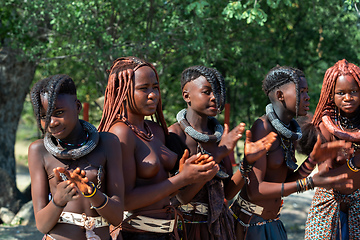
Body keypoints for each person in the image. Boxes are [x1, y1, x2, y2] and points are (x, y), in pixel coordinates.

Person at [98, 57, 219, 240]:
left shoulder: (154, 129)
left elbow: (169, 190)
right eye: (143, 88)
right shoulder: (120, 133)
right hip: (137, 234)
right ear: (121, 91)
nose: (153, 94)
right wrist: (181, 178)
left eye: (155, 87)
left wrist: (193, 172)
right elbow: (125, 201)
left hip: (169, 232)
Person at [231, 65, 353, 240]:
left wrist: (311, 161)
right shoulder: (263, 127)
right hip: (249, 225)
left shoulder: (289, 132)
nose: (307, 97)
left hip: (272, 222)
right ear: (280, 96)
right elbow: (255, 191)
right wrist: (310, 183)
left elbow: (285, 184)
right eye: (302, 92)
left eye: (307, 91)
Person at [167, 65, 278, 240]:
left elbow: (227, 193)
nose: (214, 98)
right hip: (185, 229)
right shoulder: (175, 136)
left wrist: (247, 163)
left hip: (218, 229)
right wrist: (217, 155)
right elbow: (180, 198)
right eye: (207, 92)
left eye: (217, 93)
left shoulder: (219, 136)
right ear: (186, 95)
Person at [28, 74, 125, 240]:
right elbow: (42, 225)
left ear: (77, 106)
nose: (51, 123)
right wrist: (58, 200)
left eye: (59, 112)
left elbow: (117, 218)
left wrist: (92, 192)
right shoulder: (39, 150)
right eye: (44, 117)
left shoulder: (108, 143)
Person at [303, 59, 360, 240]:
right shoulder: (325, 126)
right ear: (331, 95)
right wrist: (355, 163)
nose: (348, 98)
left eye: (354, 92)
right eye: (340, 93)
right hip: (328, 204)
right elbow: (325, 178)